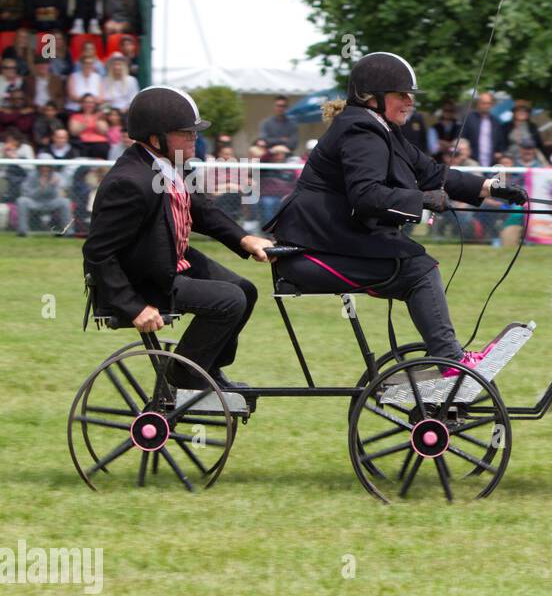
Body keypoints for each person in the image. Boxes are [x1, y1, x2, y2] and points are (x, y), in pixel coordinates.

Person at [264, 52, 527, 375]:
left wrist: (491, 188)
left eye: (410, 95)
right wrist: (424, 200)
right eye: (401, 94)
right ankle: (451, 360)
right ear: (371, 97)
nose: (409, 101)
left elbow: (433, 173)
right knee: (417, 268)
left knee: (416, 264)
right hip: (309, 254)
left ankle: (449, 358)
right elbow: (367, 196)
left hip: (329, 243)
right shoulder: (360, 130)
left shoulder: (383, 129)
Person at [82, 86, 274, 388]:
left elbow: (200, 210)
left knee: (244, 290)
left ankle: (208, 370)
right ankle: (183, 375)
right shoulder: (130, 182)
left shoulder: (167, 167)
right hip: (145, 279)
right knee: (229, 301)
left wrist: (244, 239)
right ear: (156, 137)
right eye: (186, 133)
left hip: (171, 260)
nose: (194, 139)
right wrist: (134, 307)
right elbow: (98, 252)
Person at [15, 152, 73, 237]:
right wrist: (40, 188)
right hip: (35, 202)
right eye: (42, 166)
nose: (45, 168)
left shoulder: (56, 176)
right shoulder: (32, 176)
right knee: (21, 201)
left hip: (51, 201)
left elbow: (62, 194)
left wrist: (54, 186)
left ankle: (68, 232)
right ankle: (22, 231)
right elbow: (26, 193)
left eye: (48, 166)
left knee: (65, 202)